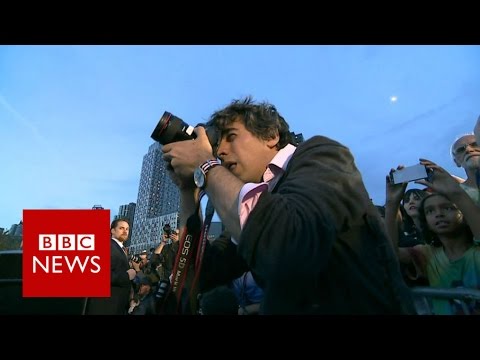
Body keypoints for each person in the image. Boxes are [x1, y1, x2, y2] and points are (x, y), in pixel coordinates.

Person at [162, 96, 413, 314]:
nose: (222, 151)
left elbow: (285, 243)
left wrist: (206, 164)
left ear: (271, 136)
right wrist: (188, 191)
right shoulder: (254, 202)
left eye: (231, 137)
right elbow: (203, 273)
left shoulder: (321, 155)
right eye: (217, 147)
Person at [85, 218, 137, 315]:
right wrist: (127, 276)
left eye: (127, 229)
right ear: (112, 230)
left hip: (115, 305)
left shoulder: (120, 249)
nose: (125, 231)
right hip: (105, 306)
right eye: (121, 228)